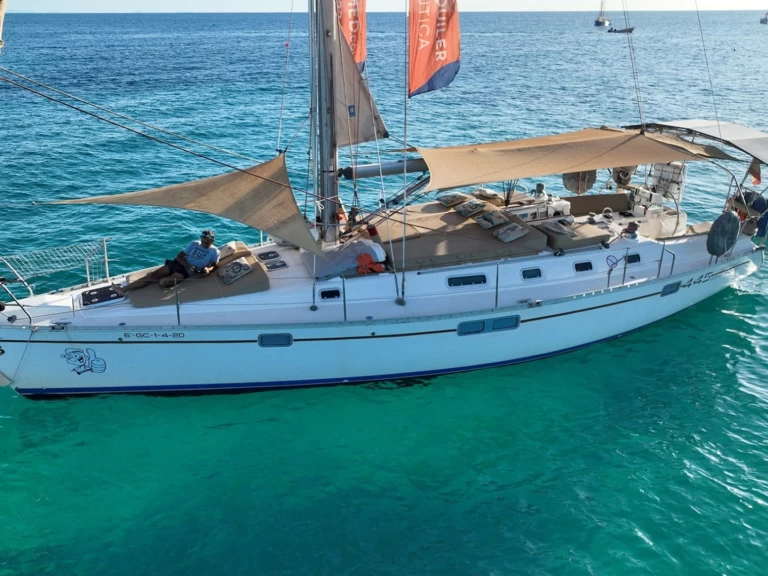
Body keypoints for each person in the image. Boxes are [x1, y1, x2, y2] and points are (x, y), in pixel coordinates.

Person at [113, 230, 221, 296]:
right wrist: (188, 264)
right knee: (153, 275)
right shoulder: (194, 244)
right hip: (181, 264)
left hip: (188, 271)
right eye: (202, 241)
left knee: (163, 282)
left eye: (206, 243)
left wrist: (207, 270)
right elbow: (179, 256)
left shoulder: (214, 252)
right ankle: (123, 289)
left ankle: (169, 279)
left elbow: (214, 266)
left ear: (212, 241)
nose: (203, 244)